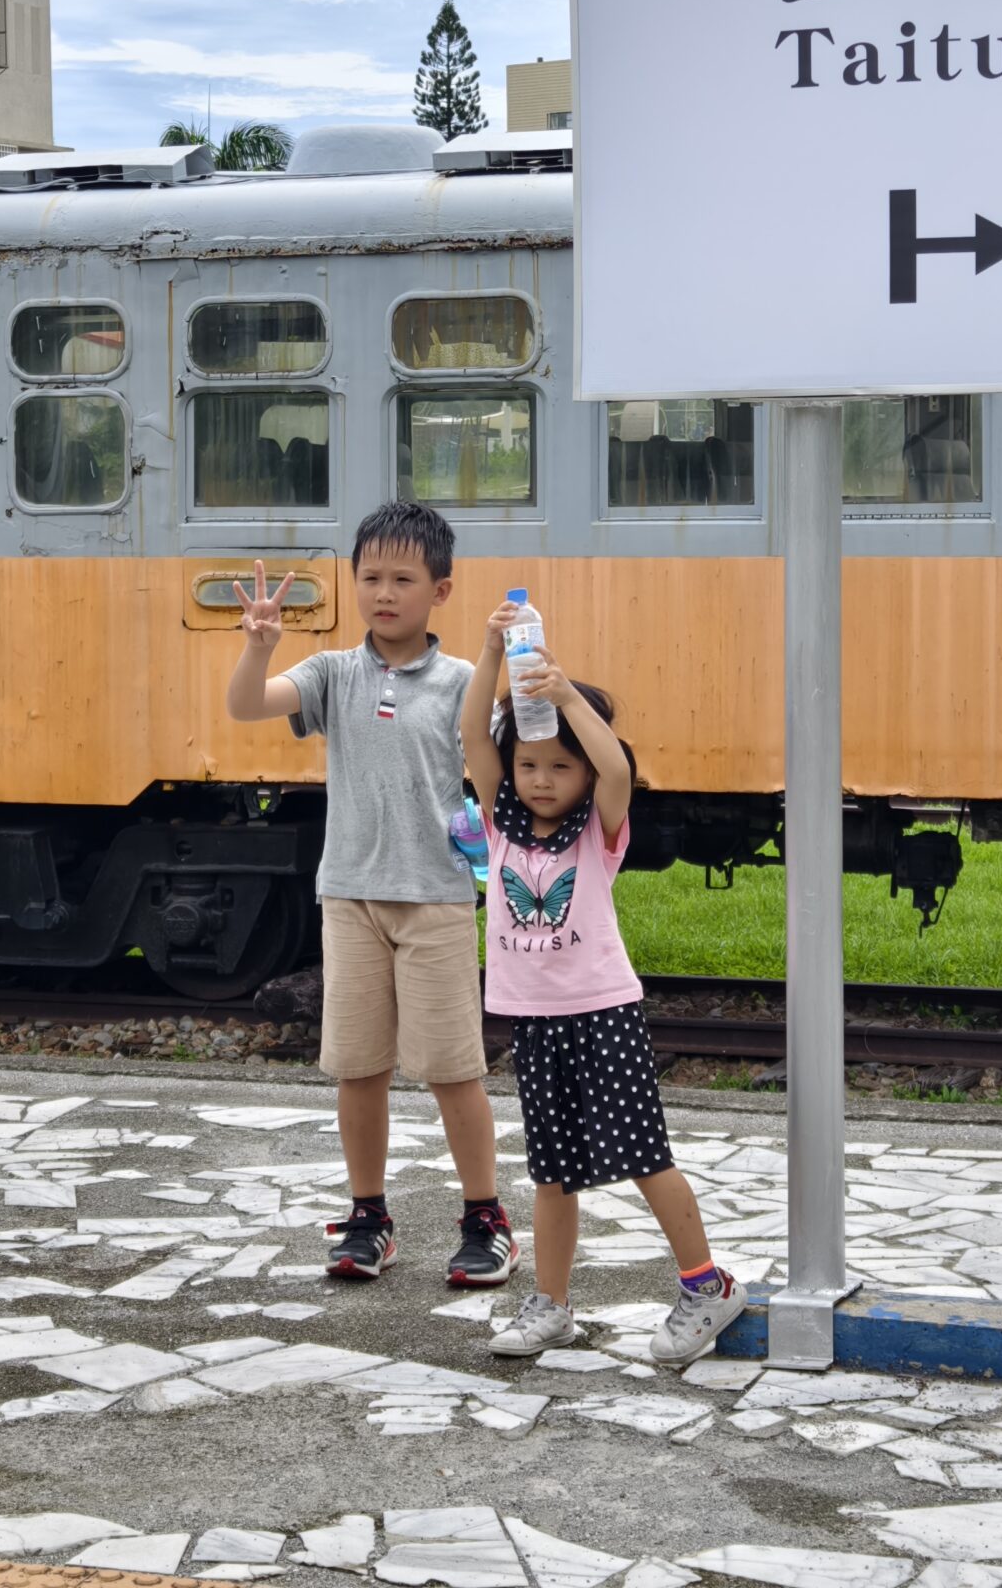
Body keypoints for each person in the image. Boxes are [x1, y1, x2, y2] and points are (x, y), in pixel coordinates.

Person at [225, 501, 517, 1288]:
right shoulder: (332, 673)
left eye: (402, 579)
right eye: (369, 578)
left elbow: (502, 762)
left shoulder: (463, 682)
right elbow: (247, 705)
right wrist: (258, 649)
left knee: (455, 1069)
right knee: (359, 1068)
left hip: (438, 898)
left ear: (441, 591)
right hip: (350, 895)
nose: (383, 593)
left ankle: (486, 1218)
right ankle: (368, 1217)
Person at [460, 599, 745, 1364]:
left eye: (559, 766)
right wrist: (491, 652)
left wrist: (564, 699)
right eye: (528, 765)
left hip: (603, 1014)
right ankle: (551, 1306)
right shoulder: (497, 821)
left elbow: (617, 764)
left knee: (646, 1158)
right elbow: (470, 735)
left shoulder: (599, 830)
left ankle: (706, 1286)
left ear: (584, 775)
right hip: (534, 1020)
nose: (541, 779)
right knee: (553, 1175)